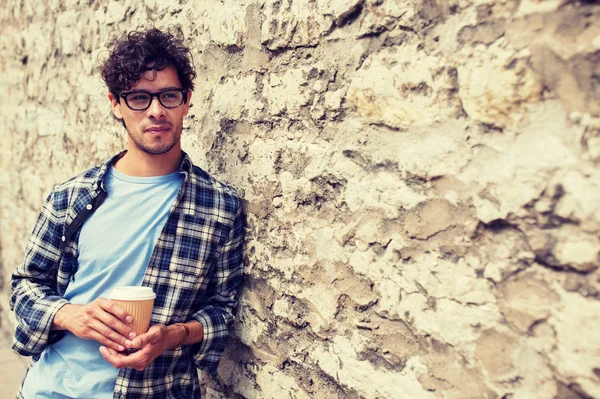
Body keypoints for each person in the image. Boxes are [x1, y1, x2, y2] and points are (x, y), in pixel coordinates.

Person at [9, 27, 244, 398]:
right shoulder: (69, 197)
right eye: (138, 98)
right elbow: (25, 286)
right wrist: (72, 315)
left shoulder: (220, 206)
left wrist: (174, 336)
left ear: (187, 100)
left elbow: (223, 308)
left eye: (168, 96)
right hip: (54, 390)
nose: (156, 111)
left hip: (157, 389)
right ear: (116, 104)